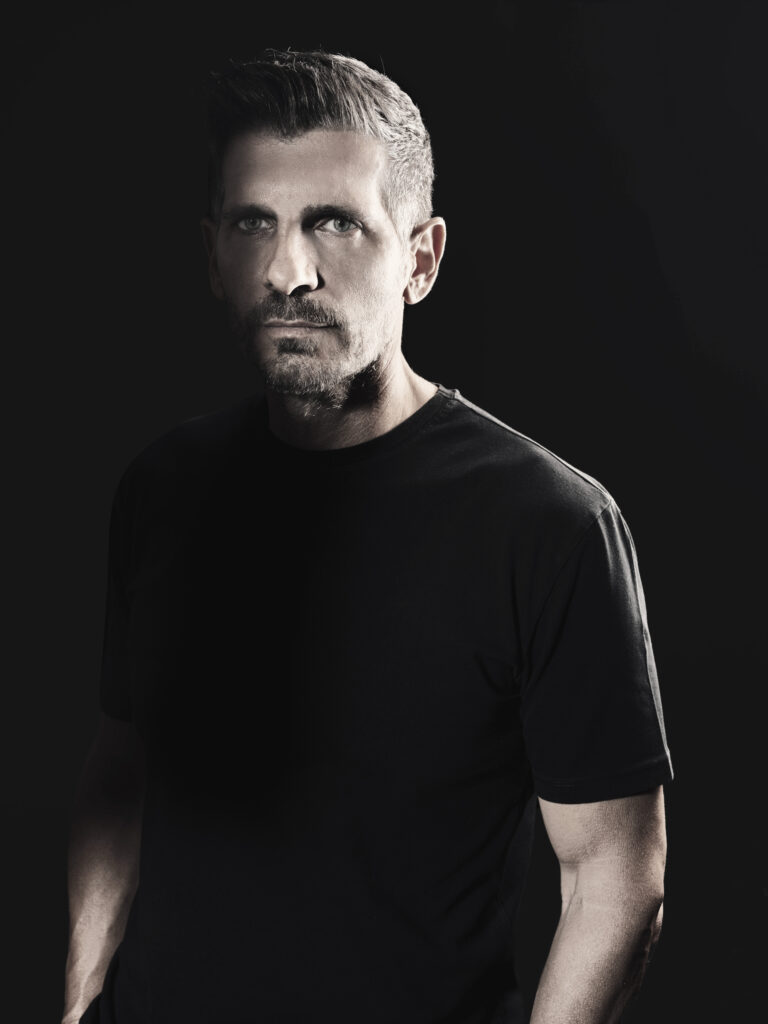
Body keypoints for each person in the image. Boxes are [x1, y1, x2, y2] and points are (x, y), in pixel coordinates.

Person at [61, 49, 673, 1024]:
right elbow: (121, 772)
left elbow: (616, 873)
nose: (288, 271)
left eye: (335, 223)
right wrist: (80, 1000)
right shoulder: (162, 487)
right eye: (253, 223)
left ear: (421, 259)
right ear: (213, 255)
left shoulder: (549, 525)